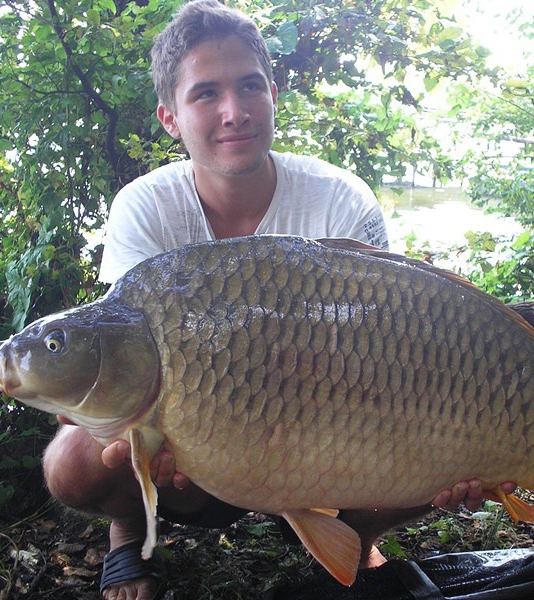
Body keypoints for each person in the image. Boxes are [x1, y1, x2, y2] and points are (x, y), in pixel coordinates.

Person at [41, 2, 499, 599]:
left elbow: (388, 360)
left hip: (325, 424)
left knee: (436, 449)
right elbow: (126, 359)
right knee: (74, 460)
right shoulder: (145, 207)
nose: (234, 112)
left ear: (273, 94)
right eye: (206, 94)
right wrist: (142, 439)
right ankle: (129, 532)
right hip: (199, 445)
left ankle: (347, 531)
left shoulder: (341, 202)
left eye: (250, 86)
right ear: (170, 118)